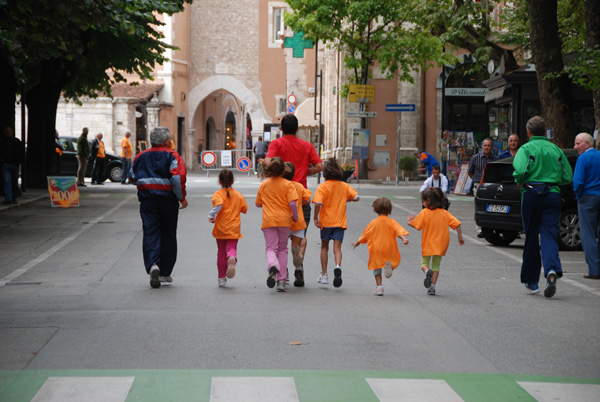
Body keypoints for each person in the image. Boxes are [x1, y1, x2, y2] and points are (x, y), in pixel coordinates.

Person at [513, 116, 572, 297]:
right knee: (549, 234)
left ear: (528, 132)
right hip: (552, 194)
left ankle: (532, 282)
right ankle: (552, 270)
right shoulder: (555, 149)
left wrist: (520, 180)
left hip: (531, 194)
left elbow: (520, 171)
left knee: (531, 235)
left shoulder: (526, 148)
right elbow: (567, 176)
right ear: (544, 131)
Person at [264, 114, 323, 277]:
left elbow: (267, 162)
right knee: (300, 235)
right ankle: (299, 265)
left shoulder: (276, 143)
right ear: (297, 129)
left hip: (280, 198)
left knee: (279, 241)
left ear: (281, 129)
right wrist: (305, 171)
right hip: (301, 195)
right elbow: (320, 166)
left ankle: (282, 272)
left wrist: (279, 170)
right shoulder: (307, 145)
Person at [129, 127, 188, 289]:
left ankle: (153, 264)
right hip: (168, 201)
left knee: (150, 231)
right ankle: (165, 272)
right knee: (168, 233)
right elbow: (177, 179)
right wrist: (181, 198)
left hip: (148, 201)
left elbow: (132, 177)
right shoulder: (173, 155)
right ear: (165, 141)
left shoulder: (141, 156)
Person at [407, 188, 464, 296]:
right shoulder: (445, 213)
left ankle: (427, 271)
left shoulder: (425, 212)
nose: (423, 204)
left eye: (423, 201)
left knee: (424, 264)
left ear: (428, 200)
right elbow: (457, 224)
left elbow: (417, 225)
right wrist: (460, 238)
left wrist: (409, 222)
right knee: (436, 265)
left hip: (428, 243)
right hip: (441, 244)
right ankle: (432, 288)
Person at [313, 158, 360, 288]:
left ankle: (324, 275)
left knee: (324, 247)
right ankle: (338, 266)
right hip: (339, 222)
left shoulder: (323, 187)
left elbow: (318, 203)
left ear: (325, 173)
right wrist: (347, 199)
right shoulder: (343, 185)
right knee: (337, 248)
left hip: (326, 222)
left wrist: (315, 217)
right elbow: (356, 197)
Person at [255, 156, 298, 292]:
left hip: (268, 221)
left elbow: (258, 203)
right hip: (284, 220)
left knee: (270, 249)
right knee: (283, 249)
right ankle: (281, 280)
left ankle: (272, 265)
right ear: (283, 171)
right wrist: (295, 216)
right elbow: (292, 202)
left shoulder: (264, 185)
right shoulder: (288, 184)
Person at [351, 197, 409, 296]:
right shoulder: (392, 222)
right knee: (391, 261)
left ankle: (379, 287)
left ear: (375, 209)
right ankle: (390, 267)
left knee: (377, 268)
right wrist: (403, 238)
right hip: (389, 247)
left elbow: (365, 234)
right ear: (390, 209)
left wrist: (358, 242)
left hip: (376, 248)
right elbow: (398, 230)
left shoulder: (373, 222)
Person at [208, 169, 248, 287]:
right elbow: (244, 208)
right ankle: (232, 257)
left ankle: (221, 278)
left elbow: (218, 205)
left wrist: (211, 215)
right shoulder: (238, 195)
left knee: (220, 252)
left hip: (221, 228)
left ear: (219, 181)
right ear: (233, 181)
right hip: (234, 228)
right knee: (231, 248)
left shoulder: (217, 194)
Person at [573, 133, 600, 280]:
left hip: (588, 197)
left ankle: (594, 269)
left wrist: (579, 196)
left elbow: (578, 181)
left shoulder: (583, 158)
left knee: (588, 233)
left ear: (587, 144)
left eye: (578, 144)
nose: (575, 147)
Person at [284, 162, 312, 287]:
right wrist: (300, 202)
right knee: (299, 242)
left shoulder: (279, 186)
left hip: (282, 221)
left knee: (281, 248)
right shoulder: (298, 186)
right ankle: (299, 266)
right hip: (298, 220)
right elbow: (308, 200)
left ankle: (283, 274)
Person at [468, 137, 497, 237]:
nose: (487, 147)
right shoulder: (475, 158)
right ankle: (480, 229)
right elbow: (469, 172)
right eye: (485, 145)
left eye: (489, 145)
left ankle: (489, 227)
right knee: (478, 207)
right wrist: (476, 180)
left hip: (491, 186)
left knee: (490, 206)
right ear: (482, 146)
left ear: (492, 147)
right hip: (478, 186)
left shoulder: (495, 159)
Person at [1, 127, 24, 204]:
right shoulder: (3, 142)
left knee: (14, 181)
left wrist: (18, 161)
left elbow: (21, 152)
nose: (8, 133)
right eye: (7, 131)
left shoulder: (16, 142)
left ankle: (13, 197)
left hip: (14, 163)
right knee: (7, 181)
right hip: (6, 163)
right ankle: (8, 198)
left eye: (9, 131)